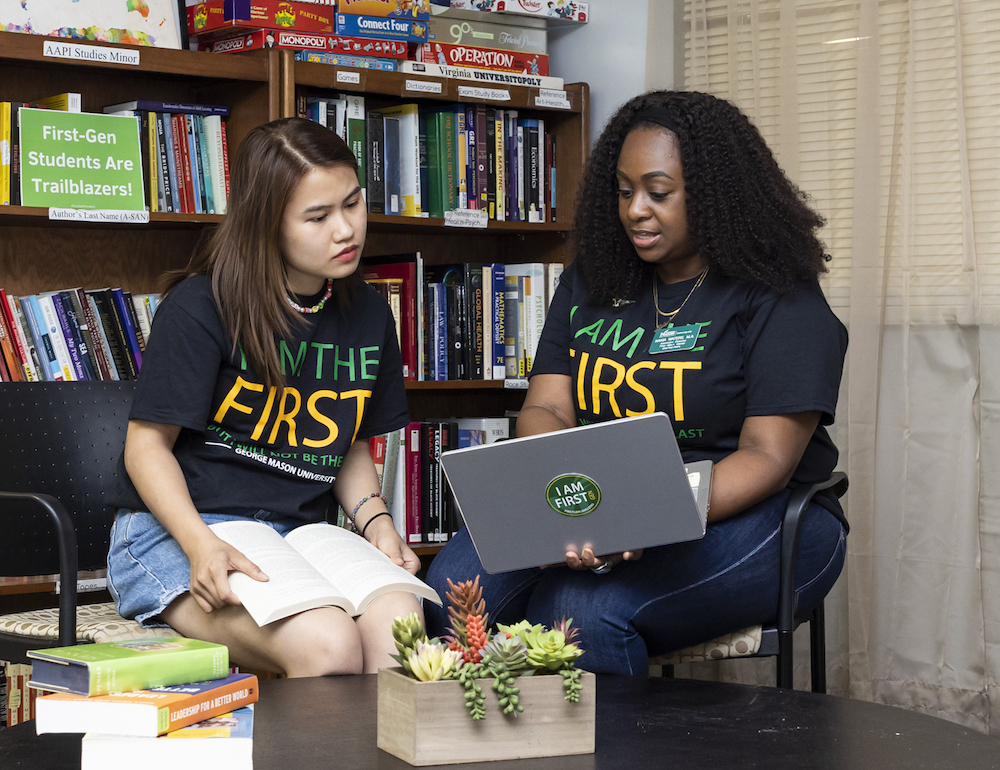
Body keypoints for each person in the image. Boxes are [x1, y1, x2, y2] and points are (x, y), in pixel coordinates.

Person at [425, 90, 849, 675]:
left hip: (759, 517)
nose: (634, 211)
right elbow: (546, 409)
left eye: (658, 192)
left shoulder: (779, 297)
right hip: (601, 501)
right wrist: (564, 505)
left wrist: (644, 516)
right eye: (624, 192)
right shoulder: (590, 281)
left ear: (715, 194)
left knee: (578, 609)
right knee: (451, 584)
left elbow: (766, 457)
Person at [107, 118, 421, 677]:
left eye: (352, 204)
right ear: (266, 226)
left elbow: (347, 444)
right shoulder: (201, 306)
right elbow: (146, 448)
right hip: (182, 531)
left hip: (300, 536)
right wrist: (200, 544)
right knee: (330, 648)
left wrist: (379, 529)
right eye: (318, 217)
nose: (345, 230)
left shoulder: (369, 314)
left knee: (402, 631)